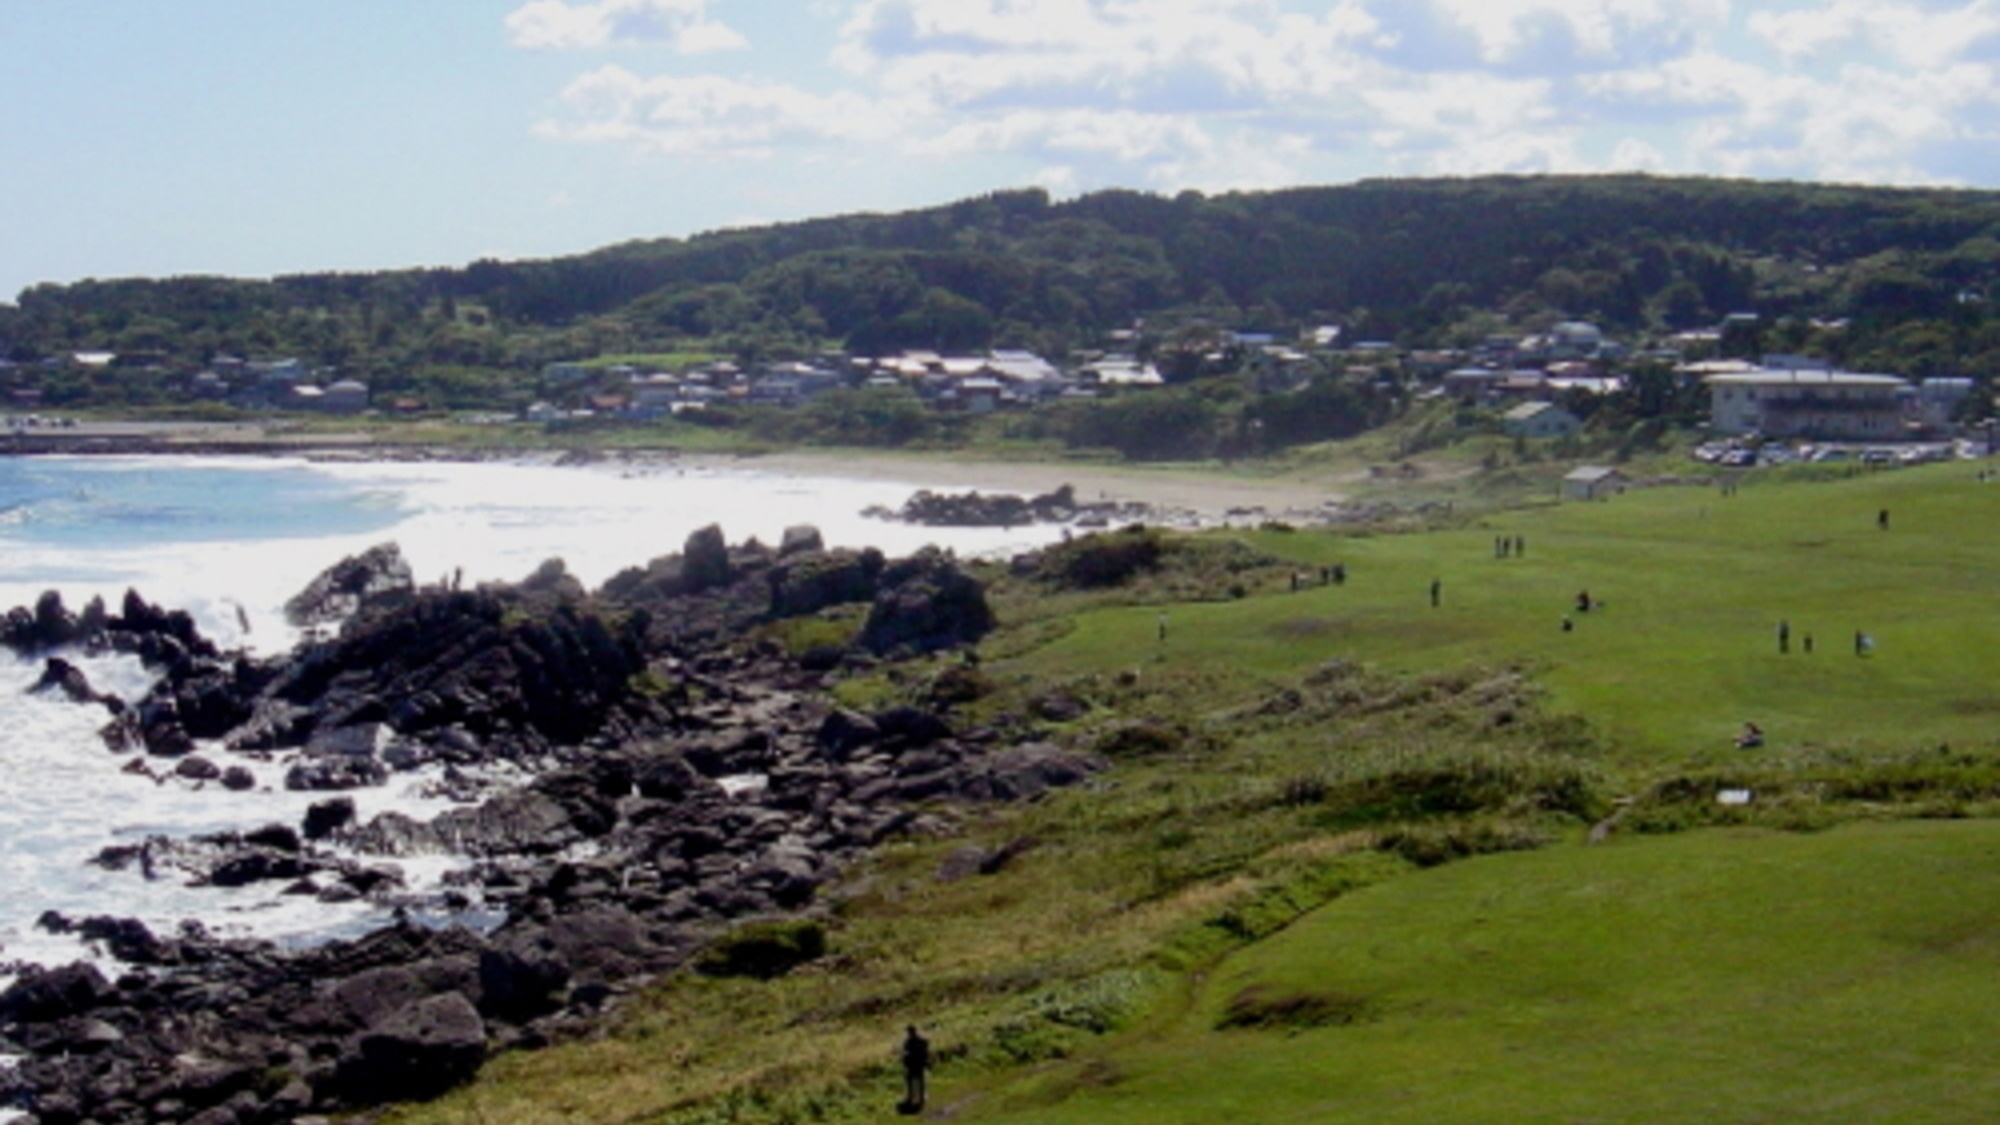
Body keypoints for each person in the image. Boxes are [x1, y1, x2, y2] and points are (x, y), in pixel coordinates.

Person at [900, 1025, 931, 1113]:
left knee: (910, 1082)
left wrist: (904, 1059)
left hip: (912, 1065)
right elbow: (926, 1051)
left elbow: (905, 1053)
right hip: (919, 1065)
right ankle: (921, 1098)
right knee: (920, 1082)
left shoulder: (908, 1042)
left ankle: (911, 1098)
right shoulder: (922, 1041)